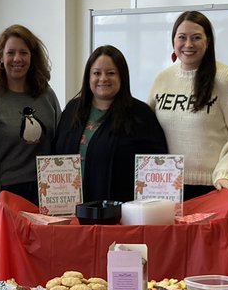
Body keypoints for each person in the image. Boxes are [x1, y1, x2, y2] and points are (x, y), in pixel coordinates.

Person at [149, 11, 228, 201]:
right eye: (182, 37)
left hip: (215, 187)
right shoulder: (162, 79)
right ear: (173, 41)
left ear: (208, 41)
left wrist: (227, 176)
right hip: (166, 187)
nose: (188, 44)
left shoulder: (225, 80)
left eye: (196, 37)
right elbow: (146, 131)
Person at [53, 44, 166, 203]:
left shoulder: (140, 114)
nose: (103, 79)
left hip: (120, 211)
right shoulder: (73, 110)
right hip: (70, 208)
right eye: (96, 73)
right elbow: (56, 155)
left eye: (111, 73)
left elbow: (157, 167)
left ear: (122, 77)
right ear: (88, 77)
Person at [0, 24, 62, 216]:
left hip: (47, 190)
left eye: (24, 52)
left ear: (32, 57)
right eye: (11, 53)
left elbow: (60, 141)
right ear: (1, 57)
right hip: (7, 192)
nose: (17, 59)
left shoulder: (46, 94)